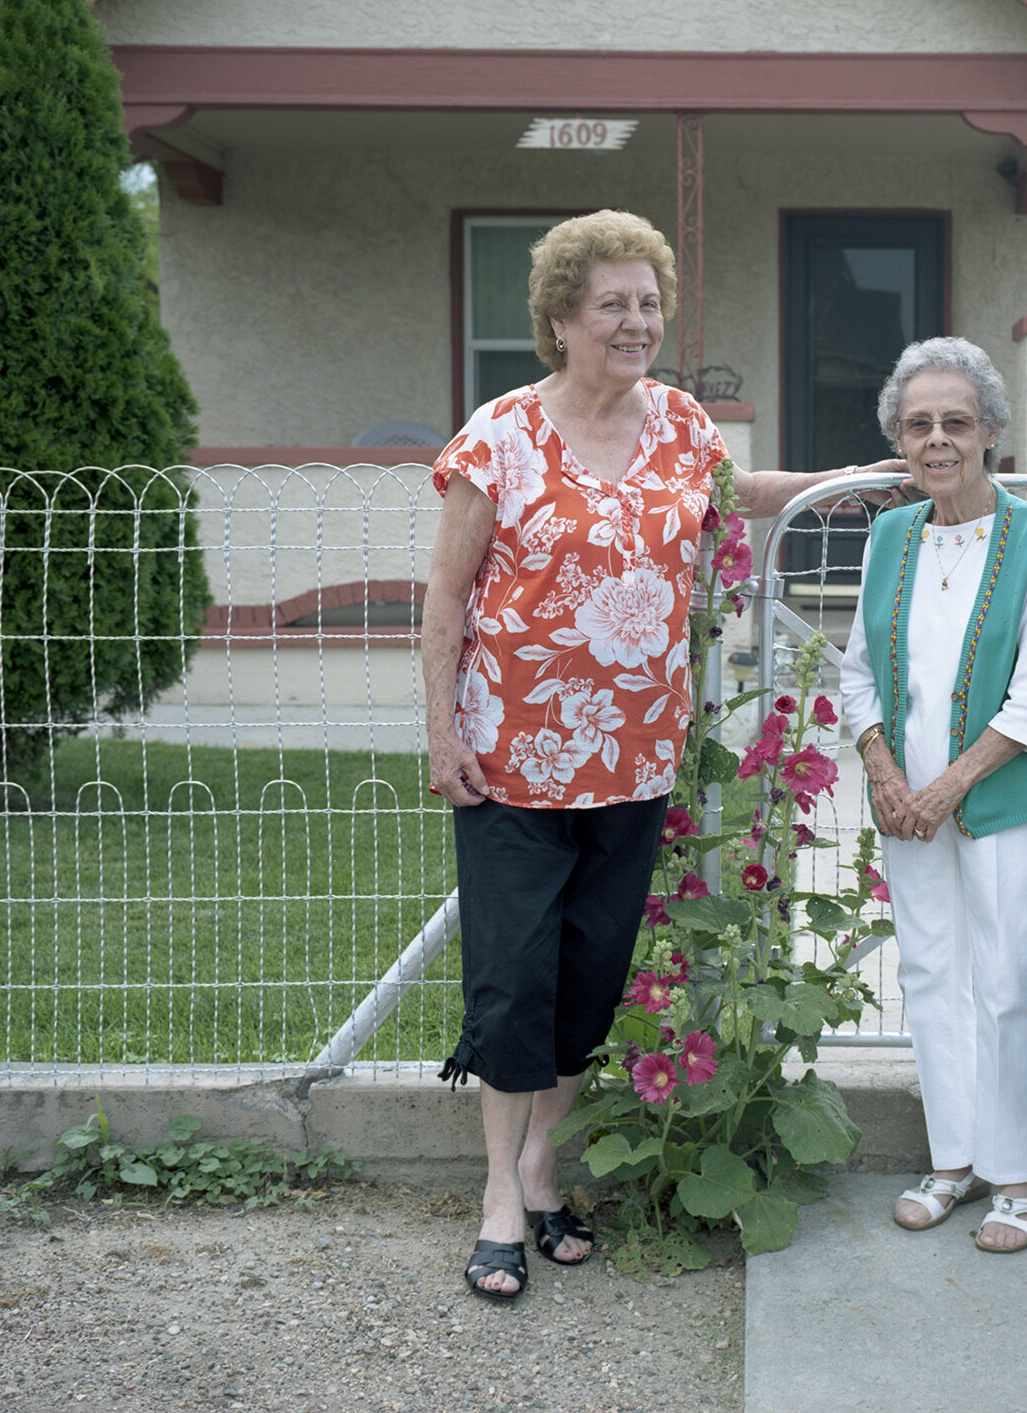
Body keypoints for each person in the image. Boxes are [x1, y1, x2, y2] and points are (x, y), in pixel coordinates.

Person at [424, 209, 891, 1301]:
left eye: (648, 302)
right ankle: (501, 1193)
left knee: (588, 979)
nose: (636, 322)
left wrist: (844, 482)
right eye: (611, 304)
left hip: (636, 761)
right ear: (558, 318)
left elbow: (739, 496)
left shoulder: (681, 425)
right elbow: (446, 592)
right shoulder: (498, 436)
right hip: (510, 759)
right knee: (513, 978)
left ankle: (544, 1169)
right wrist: (442, 730)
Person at [839, 337, 1027, 1254]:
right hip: (908, 806)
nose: (935, 439)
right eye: (917, 425)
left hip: (1005, 795)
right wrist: (885, 774)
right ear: (898, 439)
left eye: (954, 422)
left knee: (1010, 985)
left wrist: (945, 786)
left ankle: (1020, 1173)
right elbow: (858, 672)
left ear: (989, 433)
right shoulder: (889, 534)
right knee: (930, 976)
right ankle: (954, 1162)